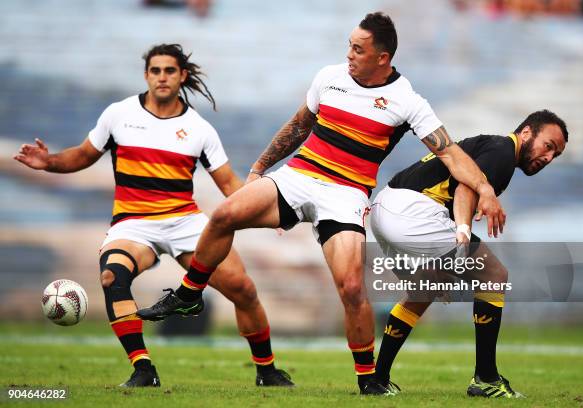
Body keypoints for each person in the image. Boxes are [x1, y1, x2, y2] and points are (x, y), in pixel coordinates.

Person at [138, 13, 506, 395]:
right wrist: (260, 168)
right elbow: (298, 125)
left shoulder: (407, 100)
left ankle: (368, 379)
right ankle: (188, 294)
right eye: (349, 45)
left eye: (358, 49)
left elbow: (451, 154)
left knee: (350, 287)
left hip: (346, 193)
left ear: (383, 58)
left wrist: (485, 189)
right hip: (297, 177)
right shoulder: (329, 76)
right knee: (225, 214)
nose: (349, 54)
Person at [13, 44, 293, 388]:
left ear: (182, 76)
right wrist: (50, 161)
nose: (162, 77)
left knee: (243, 289)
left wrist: (271, 211)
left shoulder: (199, 129)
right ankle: (143, 369)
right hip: (133, 225)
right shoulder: (119, 114)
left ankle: (267, 371)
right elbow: (83, 156)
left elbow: (230, 184)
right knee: (112, 277)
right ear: (146, 75)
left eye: (170, 71)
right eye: (156, 71)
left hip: (185, 222)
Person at [370, 110, 568, 398]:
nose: (548, 157)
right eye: (548, 146)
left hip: (385, 207)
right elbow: (466, 187)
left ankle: (378, 378)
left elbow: (462, 183)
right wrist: (462, 230)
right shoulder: (502, 151)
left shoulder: (491, 147)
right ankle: (486, 378)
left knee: (425, 290)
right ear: (526, 133)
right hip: (411, 211)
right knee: (494, 275)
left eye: (555, 155)